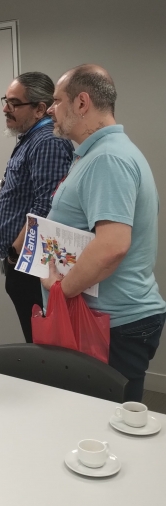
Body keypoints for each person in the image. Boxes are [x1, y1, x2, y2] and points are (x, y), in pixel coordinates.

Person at [42, 64, 166, 402]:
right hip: (105, 321)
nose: (50, 109)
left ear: (82, 103)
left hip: (114, 325)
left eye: (56, 101)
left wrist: (60, 291)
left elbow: (112, 246)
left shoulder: (108, 158)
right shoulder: (95, 153)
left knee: (110, 429)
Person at [0, 72, 74, 342]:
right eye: (6, 101)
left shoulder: (48, 141)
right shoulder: (30, 139)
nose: (6, 108)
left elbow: (47, 206)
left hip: (31, 265)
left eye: (14, 103)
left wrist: (16, 251)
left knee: (42, 345)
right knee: (34, 340)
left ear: (40, 109)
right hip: (23, 262)